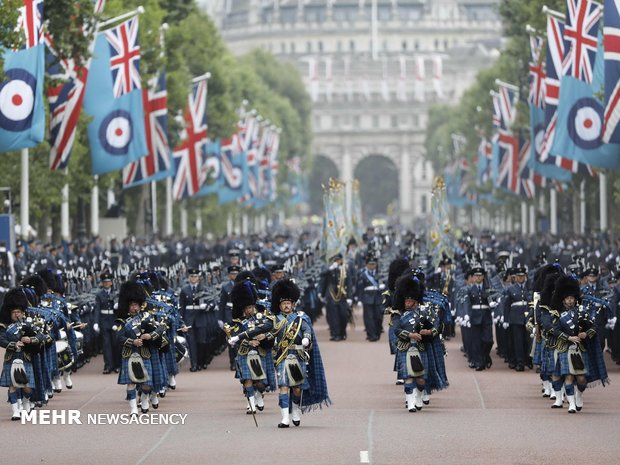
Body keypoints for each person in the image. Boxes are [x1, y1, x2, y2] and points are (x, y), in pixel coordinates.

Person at [270, 279, 330, 428]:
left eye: (288, 303)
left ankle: (295, 410)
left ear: (293, 304)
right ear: (279, 305)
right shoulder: (274, 320)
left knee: (296, 389)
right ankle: (285, 418)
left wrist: (306, 339)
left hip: (298, 356)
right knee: (283, 386)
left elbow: (307, 331)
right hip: (282, 356)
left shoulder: (300, 318)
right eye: (283, 303)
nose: (286, 305)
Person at [116, 281, 168, 415]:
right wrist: (133, 342)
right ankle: (133, 409)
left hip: (144, 353)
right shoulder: (122, 321)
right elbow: (119, 338)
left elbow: (161, 327)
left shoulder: (147, 317)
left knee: (147, 385)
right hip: (129, 354)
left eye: (135, 305)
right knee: (131, 383)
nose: (134, 308)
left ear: (140, 305)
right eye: (131, 305)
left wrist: (150, 336)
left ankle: (145, 398)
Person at [226, 279, 277, 416]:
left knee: (261, 382)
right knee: (247, 380)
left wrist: (263, 337)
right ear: (243, 309)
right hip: (245, 352)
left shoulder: (262, 317)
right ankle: (251, 404)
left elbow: (268, 327)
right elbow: (232, 337)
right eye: (248, 308)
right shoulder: (237, 322)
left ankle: (259, 395)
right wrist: (248, 342)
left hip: (261, 351)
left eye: (252, 307)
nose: (250, 310)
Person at [0, 288, 44, 420]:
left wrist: (30, 339)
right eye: (14, 312)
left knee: (26, 387)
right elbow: (1, 339)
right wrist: (13, 345)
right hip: (11, 357)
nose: (16, 315)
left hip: (25, 357)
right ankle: (15, 411)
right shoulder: (4, 325)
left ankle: (27, 401)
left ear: (23, 312)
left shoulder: (29, 324)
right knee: (13, 384)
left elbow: (42, 336)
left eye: (18, 312)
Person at [500, 264, 532, 371]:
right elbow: (506, 305)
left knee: (527, 341)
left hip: (528, 318)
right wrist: (505, 319)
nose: (520, 278)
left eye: (522, 276)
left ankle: (528, 360)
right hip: (515, 318)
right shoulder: (510, 289)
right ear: (516, 278)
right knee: (518, 342)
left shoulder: (529, 288)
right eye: (518, 276)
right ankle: (520, 362)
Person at [319, 253, 353, 341]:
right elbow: (322, 277)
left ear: (341, 260)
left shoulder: (345, 270)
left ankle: (342, 332)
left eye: (339, 260)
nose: (337, 262)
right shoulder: (330, 269)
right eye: (335, 260)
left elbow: (349, 284)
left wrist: (350, 297)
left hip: (342, 296)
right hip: (331, 295)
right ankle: (335, 334)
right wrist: (321, 293)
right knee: (333, 316)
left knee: (343, 315)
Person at [356, 251, 385, 342]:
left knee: (379, 317)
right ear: (366, 264)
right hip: (367, 297)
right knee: (369, 317)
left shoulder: (380, 272)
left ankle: (377, 332)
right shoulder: (362, 273)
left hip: (378, 297)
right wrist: (359, 299)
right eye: (370, 264)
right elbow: (359, 287)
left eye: (374, 264)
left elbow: (386, 283)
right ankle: (371, 335)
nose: (372, 266)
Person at [94, 272, 119, 374]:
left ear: (111, 282)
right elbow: (97, 309)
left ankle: (117, 365)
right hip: (104, 320)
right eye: (104, 282)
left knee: (115, 343)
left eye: (108, 282)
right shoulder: (99, 295)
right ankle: (108, 365)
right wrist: (96, 322)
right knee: (106, 344)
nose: (106, 283)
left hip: (114, 320)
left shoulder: (116, 293)